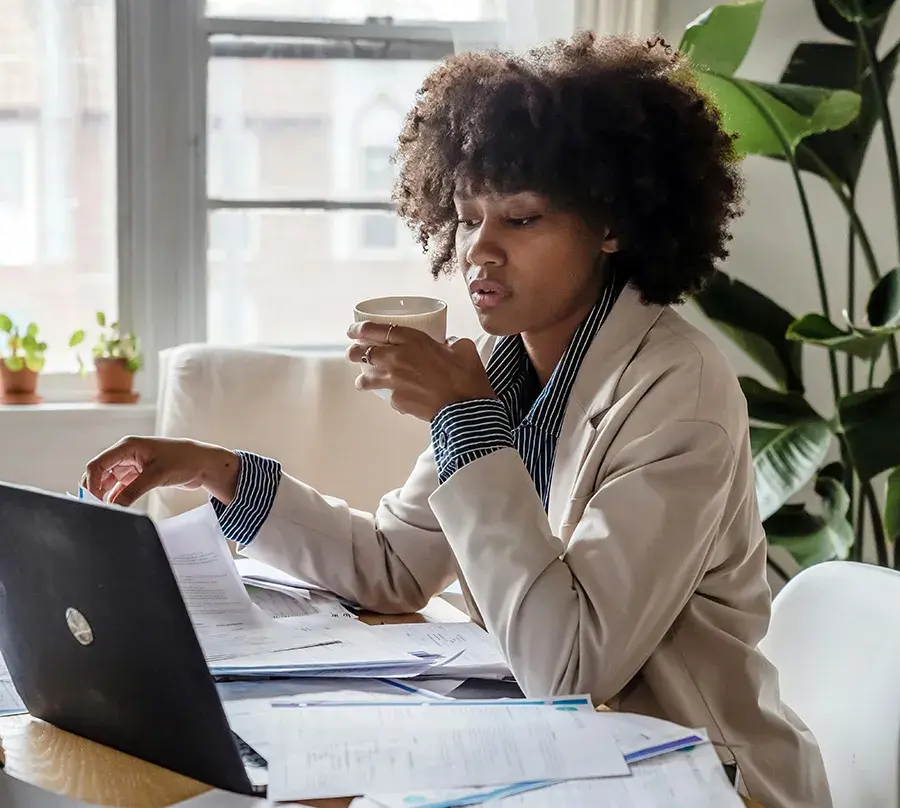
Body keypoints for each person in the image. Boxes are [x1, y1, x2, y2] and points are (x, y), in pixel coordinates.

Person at [83, 33, 831, 808]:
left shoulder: (679, 391)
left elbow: (572, 667)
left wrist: (461, 417)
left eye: (521, 219)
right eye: (469, 218)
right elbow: (392, 566)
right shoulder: (507, 365)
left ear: (611, 225)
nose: (480, 251)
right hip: (567, 759)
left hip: (700, 779)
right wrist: (218, 470)